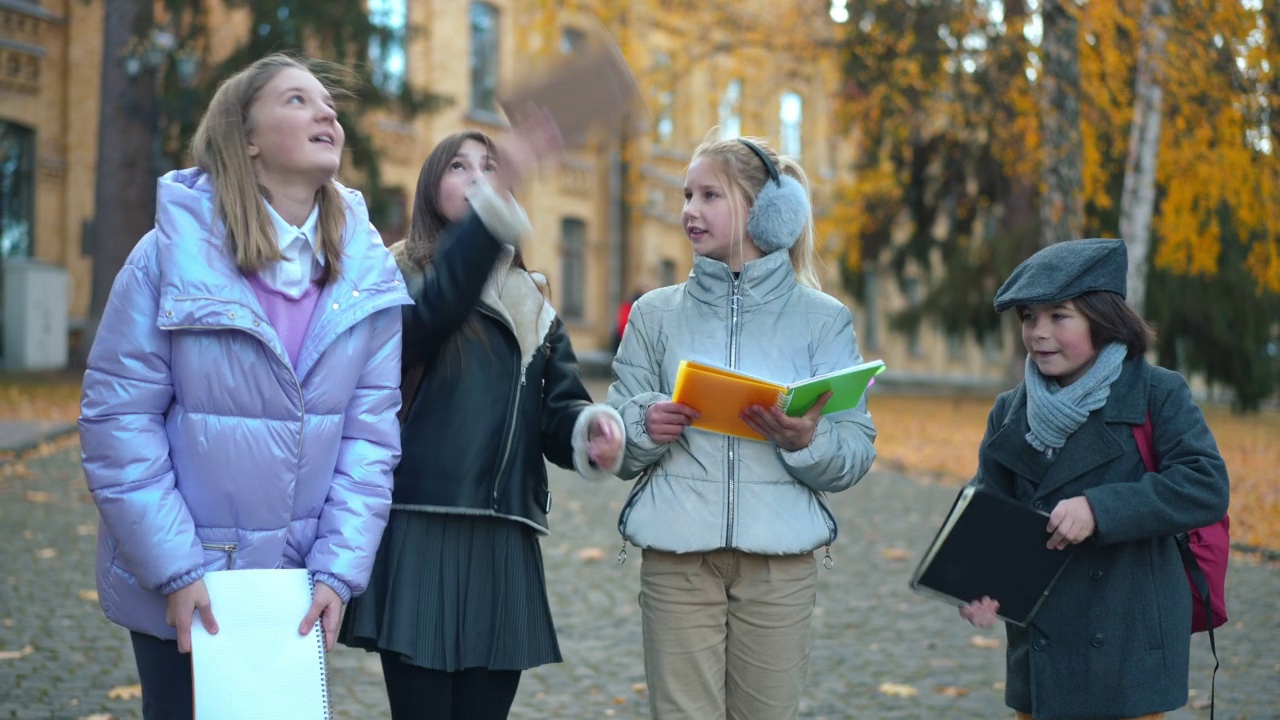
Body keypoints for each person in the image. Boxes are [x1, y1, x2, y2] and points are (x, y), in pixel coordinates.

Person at [78, 54, 410, 718]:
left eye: (329, 103)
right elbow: (118, 422)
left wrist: (337, 575)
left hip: (291, 595)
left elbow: (369, 442)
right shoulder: (168, 256)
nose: (327, 111)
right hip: (184, 585)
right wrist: (177, 569)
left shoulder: (367, 274)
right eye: (297, 100)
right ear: (246, 136)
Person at [338, 123, 626, 720]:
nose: (476, 179)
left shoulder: (533, 298)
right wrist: (489, 220)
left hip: (505, 533)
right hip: (421, 525)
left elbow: (558, 407)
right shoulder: (395, 274)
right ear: (429, 186)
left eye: (490, 167)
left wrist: (588, 430)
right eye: (458, 167)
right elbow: (437, 310)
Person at [606, 133, 878, 719]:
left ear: (766, 213)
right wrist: (645, 426)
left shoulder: (824, 319)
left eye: (709, 195)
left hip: (780, 566)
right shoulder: (654, 314)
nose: (689, 211)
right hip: (676, 557)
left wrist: (808, 440)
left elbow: (855, 447)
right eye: (686, 195)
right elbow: (618, 442)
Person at [957, 238, 1230, 720]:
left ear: (1103, 320)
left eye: (1059, 316)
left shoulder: (1157, 393)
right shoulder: (1009, 410)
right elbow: (989, 513)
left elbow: (1204, 485)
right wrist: (980, 582)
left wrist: (1099, 509)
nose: (1039, 333)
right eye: (1028, 317)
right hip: (1042, 647)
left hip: (1128, 642)